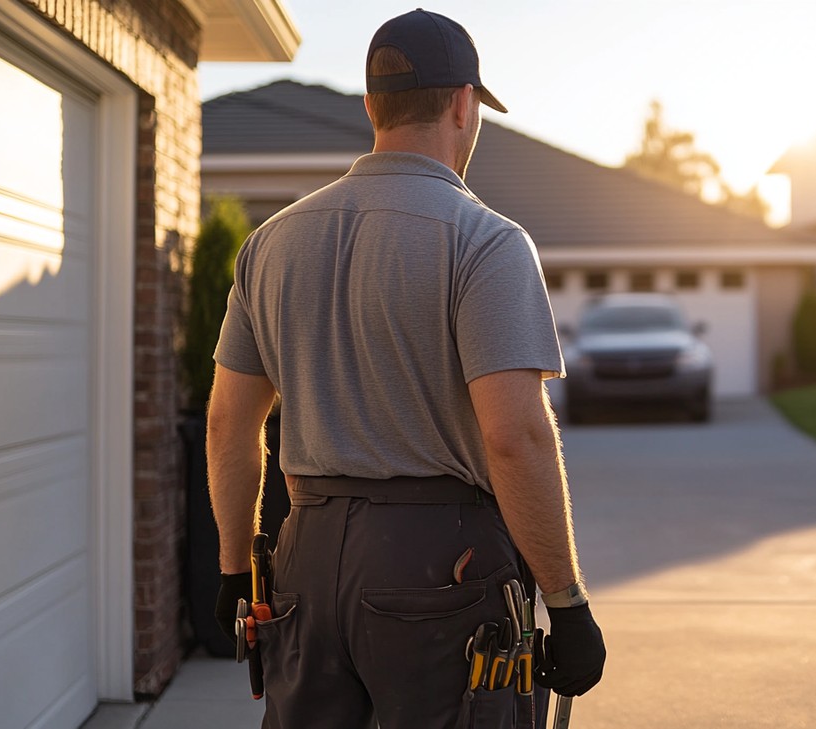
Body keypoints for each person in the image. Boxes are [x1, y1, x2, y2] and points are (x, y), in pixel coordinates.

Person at [206, 9, 605, 728]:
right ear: (463, 103)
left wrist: (236, 569)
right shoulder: (486, 242)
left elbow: (228, 425)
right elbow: (516, 437)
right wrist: (566, 601)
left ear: (371, 107)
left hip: (306, 559)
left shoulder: (269, 245)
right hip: (442, 567)